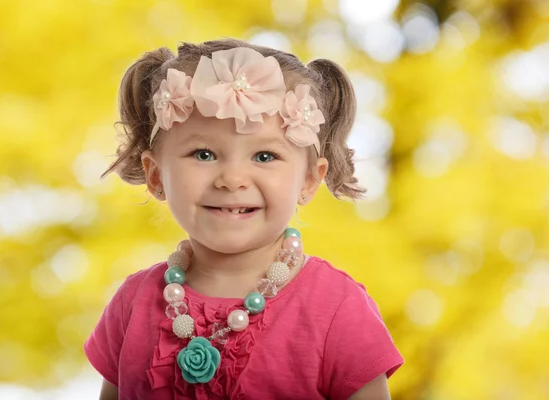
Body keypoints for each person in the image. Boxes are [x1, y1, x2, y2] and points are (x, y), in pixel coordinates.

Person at [84, 38, 404, 400]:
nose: (232, 178)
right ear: (156, 175)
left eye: (265, 156)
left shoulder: (338, 309)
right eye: (203, 153)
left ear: (309, 180)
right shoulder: (132, 304)